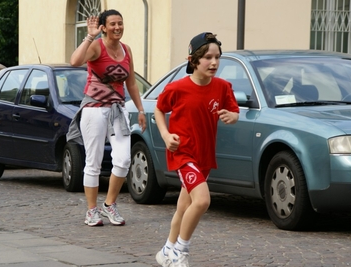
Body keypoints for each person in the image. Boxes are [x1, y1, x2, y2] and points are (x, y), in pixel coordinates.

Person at [154, 32, 240, 266]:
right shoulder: (177, 88)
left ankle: (166, 250)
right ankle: (181, 250)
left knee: (184, 207)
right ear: (193, 60)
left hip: (204, 156)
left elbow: (234, 111)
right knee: (202, 201)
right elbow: (159, 110)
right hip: (182, 153)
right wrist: (165, 135)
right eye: (207, 57)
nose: (214, 63)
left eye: (217, 57)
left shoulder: (223, 87)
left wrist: (232, 116)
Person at [67, 9, 146, 227]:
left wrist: (140, 110)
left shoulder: (127, 50)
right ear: (103, 27)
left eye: (120, 23)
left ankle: (109, 205)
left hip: (118, 110)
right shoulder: (96, 46)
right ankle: (91, 211)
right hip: (94, 109)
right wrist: (90, 35)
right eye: (112, 24)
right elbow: (74, 61)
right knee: (93, 161)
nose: (117, 27)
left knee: (123, 160)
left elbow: (131, 83)